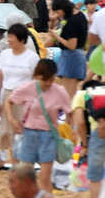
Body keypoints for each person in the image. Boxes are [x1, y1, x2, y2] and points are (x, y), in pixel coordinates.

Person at [7, 59, 71, 191]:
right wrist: (11, 120)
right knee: (26, 177)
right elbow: (9, 101)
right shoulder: (28, 88)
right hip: (29, 134)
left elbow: (70, 112)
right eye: (44, 80)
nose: (48, 83)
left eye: (51, 80)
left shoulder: (60, 91)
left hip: (48, 135)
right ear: (37, 76)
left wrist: (70, 128)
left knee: (45, 178)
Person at [0, 23, 40, 168]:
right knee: (11, 131)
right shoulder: (5, 54)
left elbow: (37, 81)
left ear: (21, 39)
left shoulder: (32, 57)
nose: (9, 40)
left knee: (24, 131)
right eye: (9, 37)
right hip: (8, 96)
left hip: (25, 98)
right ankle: (15, 165)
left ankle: (27, 165)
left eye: (12, 37)